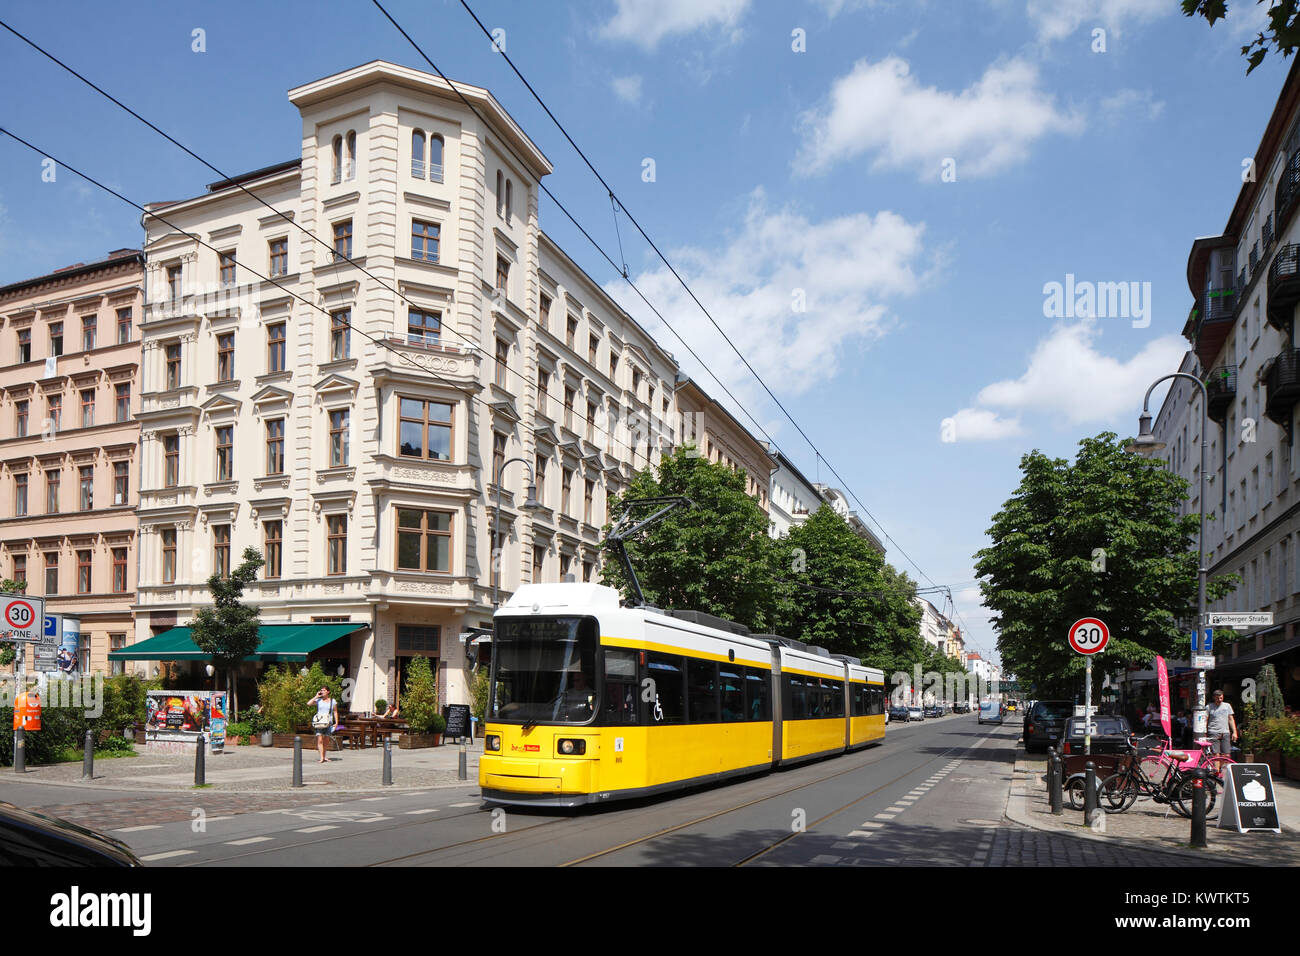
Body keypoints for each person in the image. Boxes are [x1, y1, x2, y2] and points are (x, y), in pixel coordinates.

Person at [309, 687, 339, 763]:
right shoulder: (319, 700)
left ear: (328, 692)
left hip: (329, 722)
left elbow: (335, 712)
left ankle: (324, 756)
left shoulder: (332, 701)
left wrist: (337, 722)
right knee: (320, 739)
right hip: (320, 722)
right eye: (321, 690)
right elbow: (308, 703)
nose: (322, 691)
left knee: (326, 740)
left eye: (324, 690)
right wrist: (316, 696)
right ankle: (322, 757)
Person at [1206, 689, 1237, 756]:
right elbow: (1206, 720)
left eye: (1221, 698)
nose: (1220, 700)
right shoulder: (1209, 707)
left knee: (1226, 754)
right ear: (1214, 697)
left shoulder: (1227, 706)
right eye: (1218, 698)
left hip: (1225, 732)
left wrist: (1234, 732)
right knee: (1216, 754)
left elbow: (1231, 719)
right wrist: (1205, 733)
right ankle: (1216, 767)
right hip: (1213, 731)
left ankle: (1221, 766)